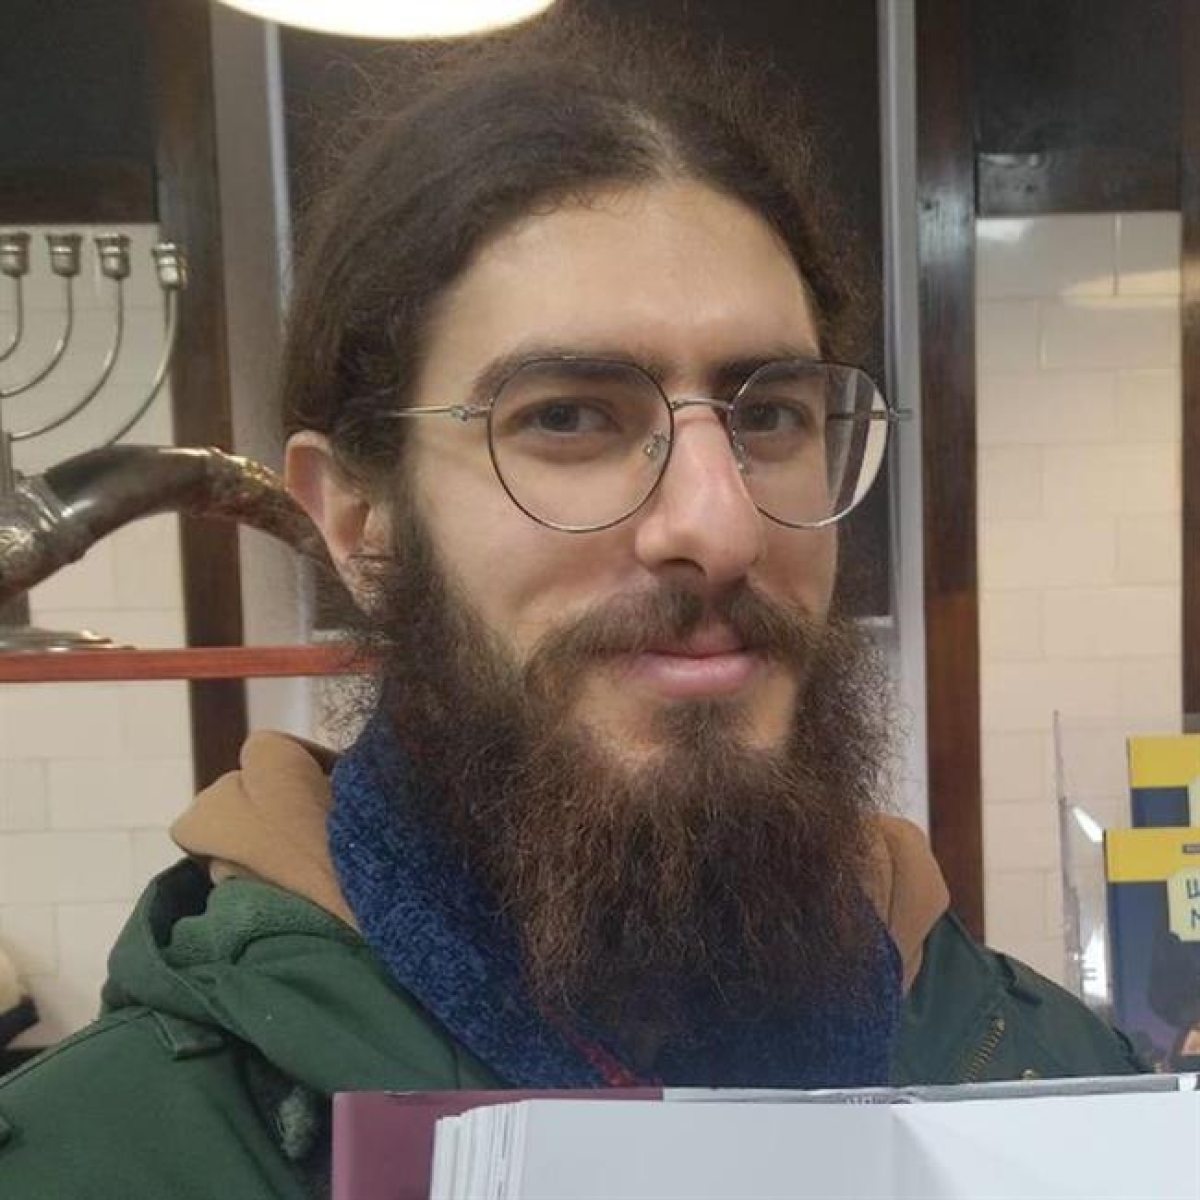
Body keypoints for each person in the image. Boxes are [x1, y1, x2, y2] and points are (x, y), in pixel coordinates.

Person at [0, 17, 1143, 1198]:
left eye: (769, 415)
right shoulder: (103, 1162)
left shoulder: (1056, 1088)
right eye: (567, 417)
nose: (721, 527)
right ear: (357, 519)